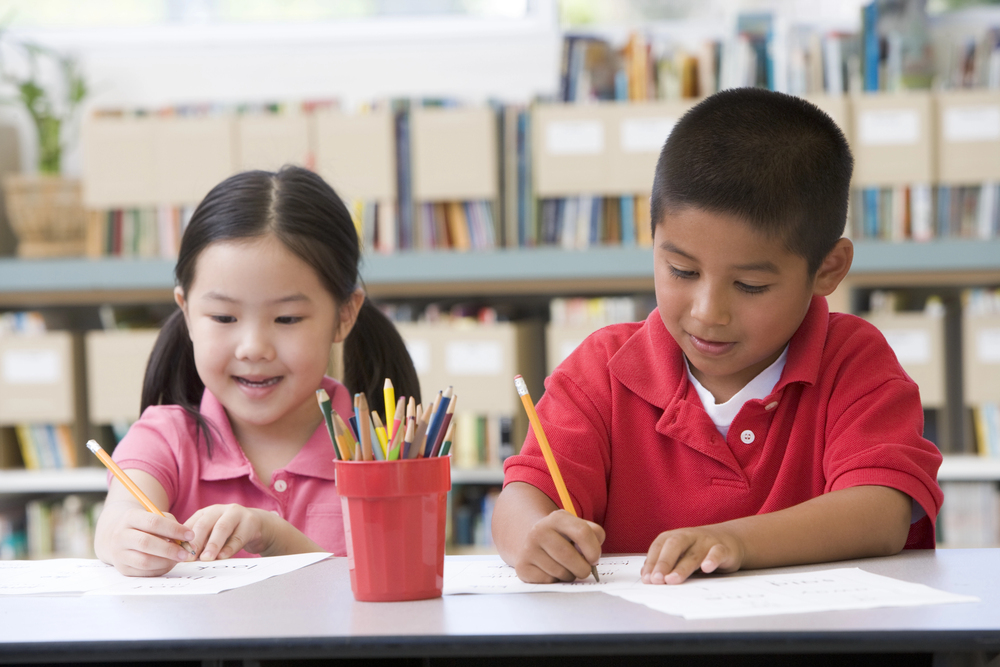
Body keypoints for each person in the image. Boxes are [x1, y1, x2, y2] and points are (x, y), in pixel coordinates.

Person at [492, 88, 944, 586]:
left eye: (751, 285)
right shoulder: (603, 369)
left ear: (828, 269)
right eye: (682, 271)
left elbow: (880, 512)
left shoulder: (852, 361)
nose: (708, 313)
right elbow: (521, 497)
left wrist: (735, 541)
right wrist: (534, 536)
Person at [94, 166, 420, 576]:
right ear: (188, 313)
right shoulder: (165, 439)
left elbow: (395, 580)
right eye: (223, 317)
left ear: (344, 315)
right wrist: (125, 537)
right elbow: (115, 521)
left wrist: (275, 538)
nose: (253, 348)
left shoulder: (382, 448)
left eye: (286, 319)